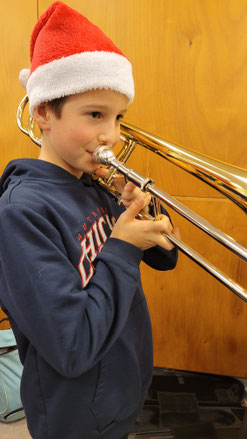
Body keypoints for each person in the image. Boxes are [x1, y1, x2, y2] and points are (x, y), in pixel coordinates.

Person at [0, 2, 179, 438]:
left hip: (121, 389)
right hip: (76, 417)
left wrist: (146, 214)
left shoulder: (93, 185)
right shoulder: (21, 214)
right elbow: (72, 346)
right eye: (95, 115)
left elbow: (164, 260)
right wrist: (120, 245)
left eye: (118, 118)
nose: (113, 136)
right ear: (42, 112)